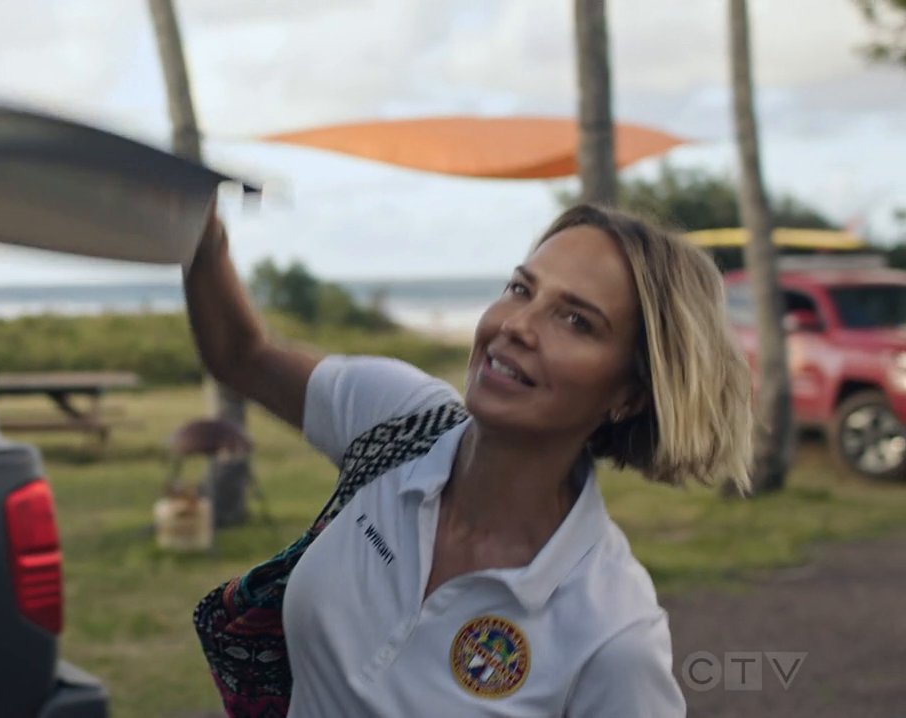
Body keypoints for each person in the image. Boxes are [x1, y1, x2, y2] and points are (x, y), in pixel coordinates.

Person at [183, 202, 753, 717]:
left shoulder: (612, 632)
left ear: (630, 394)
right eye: (521, 289)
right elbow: (241, 355)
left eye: (576, 320)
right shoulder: (399, 420)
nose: (517, 326)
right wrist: (201, 236)